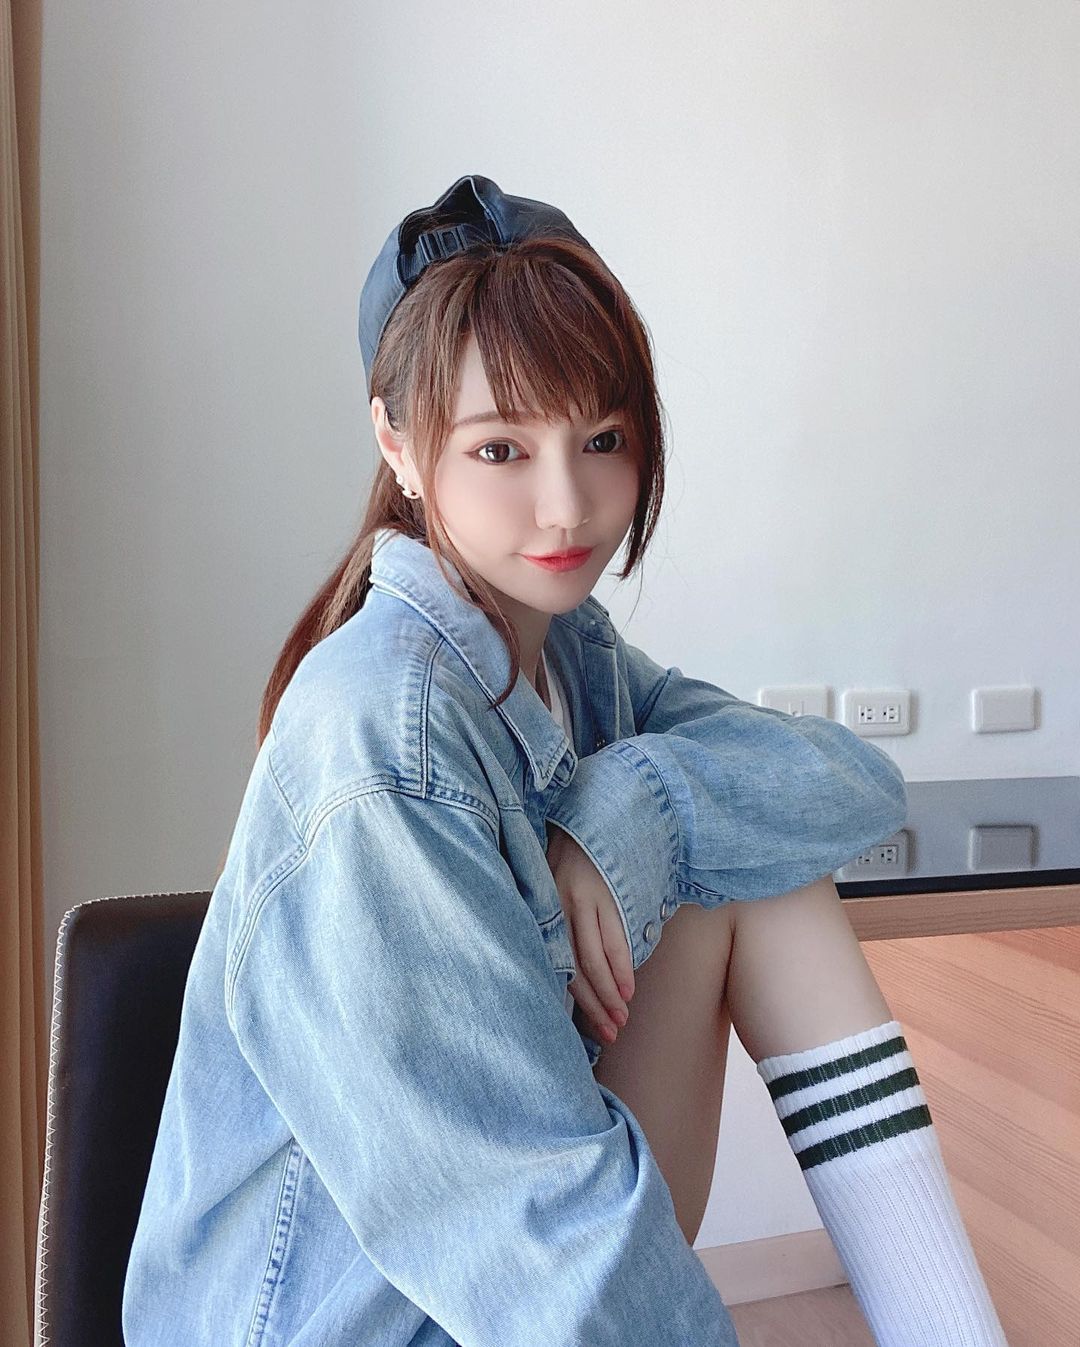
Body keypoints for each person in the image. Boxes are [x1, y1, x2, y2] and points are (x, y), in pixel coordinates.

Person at [122, 174, 1008, 1346]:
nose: (566, 505)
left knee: (755, 858)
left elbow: (847, 785)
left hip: (496, 1273)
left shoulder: (569, 654)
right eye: (500, 448)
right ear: (396, 442)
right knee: (732, 854)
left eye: (603, 440)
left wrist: (643, 806)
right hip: (360, 1319)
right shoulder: (382, 738)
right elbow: (520, 1221)